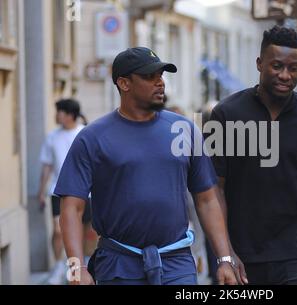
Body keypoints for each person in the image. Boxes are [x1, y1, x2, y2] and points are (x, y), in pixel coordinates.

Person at [54, 47, 238, 285]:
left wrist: (224, 259)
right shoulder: (92, 138)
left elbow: (207, 199)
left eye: (161, 76)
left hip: (176, 264)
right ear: (124, 83)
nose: (160, 83)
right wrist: (76, 268)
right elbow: (71, 208)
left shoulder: (184, 130)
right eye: (150, 77)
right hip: (118, 264)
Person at [206, 26, 297, 285]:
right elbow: (214, 190)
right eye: (277, 66)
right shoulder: (226, 114)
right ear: (259, 63)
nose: (285, 75)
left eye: (293, 68)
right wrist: (226, 253)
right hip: (243, 258)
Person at [38, 98, 92, 285]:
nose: (56, 115)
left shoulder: (84, 133)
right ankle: (59, 265)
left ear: (69, 114)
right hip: (58, 191)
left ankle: (81, 267)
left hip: (86, 192)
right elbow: (46, 165)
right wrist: (40, 191)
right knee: (58, 230)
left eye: (59, 111)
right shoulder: (52, 136)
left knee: (84, 232)